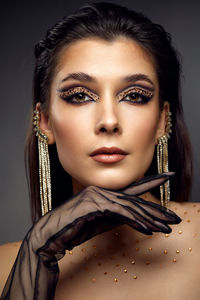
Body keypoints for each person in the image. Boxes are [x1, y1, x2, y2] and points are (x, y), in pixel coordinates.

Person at [0, 2, 199, 299]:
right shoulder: (6, 265)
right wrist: (36, 256)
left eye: (134, 96)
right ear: (44, 121)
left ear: (161, 120)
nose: (108, 121)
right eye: (80, 95)